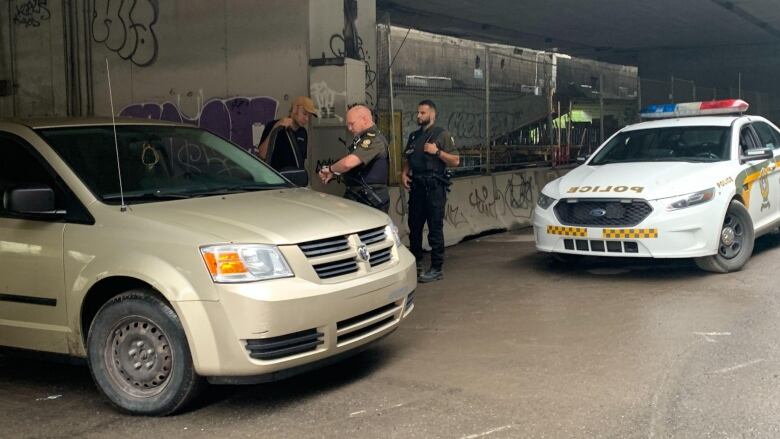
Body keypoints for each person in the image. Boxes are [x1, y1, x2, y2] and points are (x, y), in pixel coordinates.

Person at [402, 100, 460, 283]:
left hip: (434, 187)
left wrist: (437, 152)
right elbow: (408, 157)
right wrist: (404, 173)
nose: (418, 116)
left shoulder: (441, 135)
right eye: (418, 113)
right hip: (417, 187)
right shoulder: (413, 136)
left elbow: (456, 160)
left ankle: (436, 268)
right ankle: (417, 263)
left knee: (435, 229)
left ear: (432, 115)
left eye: (422, 113)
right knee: (415, 228)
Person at [318, 104, 390, 213]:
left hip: (370, 200)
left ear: (365, 119)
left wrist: (331, 169)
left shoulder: (373, 139)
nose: (349, 128)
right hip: (359, 197)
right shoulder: (362, 138)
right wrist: (335, 172)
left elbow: (348, 163)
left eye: (352, 124)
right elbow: (355, 167)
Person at [257, 96, 318, 177]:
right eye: (304, 114)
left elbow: (301, 162)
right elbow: (262, 154)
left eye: (309, 116)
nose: (306, 119)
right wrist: (276, 127)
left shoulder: (303, 133)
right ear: (295, 109)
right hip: (275, 180)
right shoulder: (274, 126)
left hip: (294, 181)